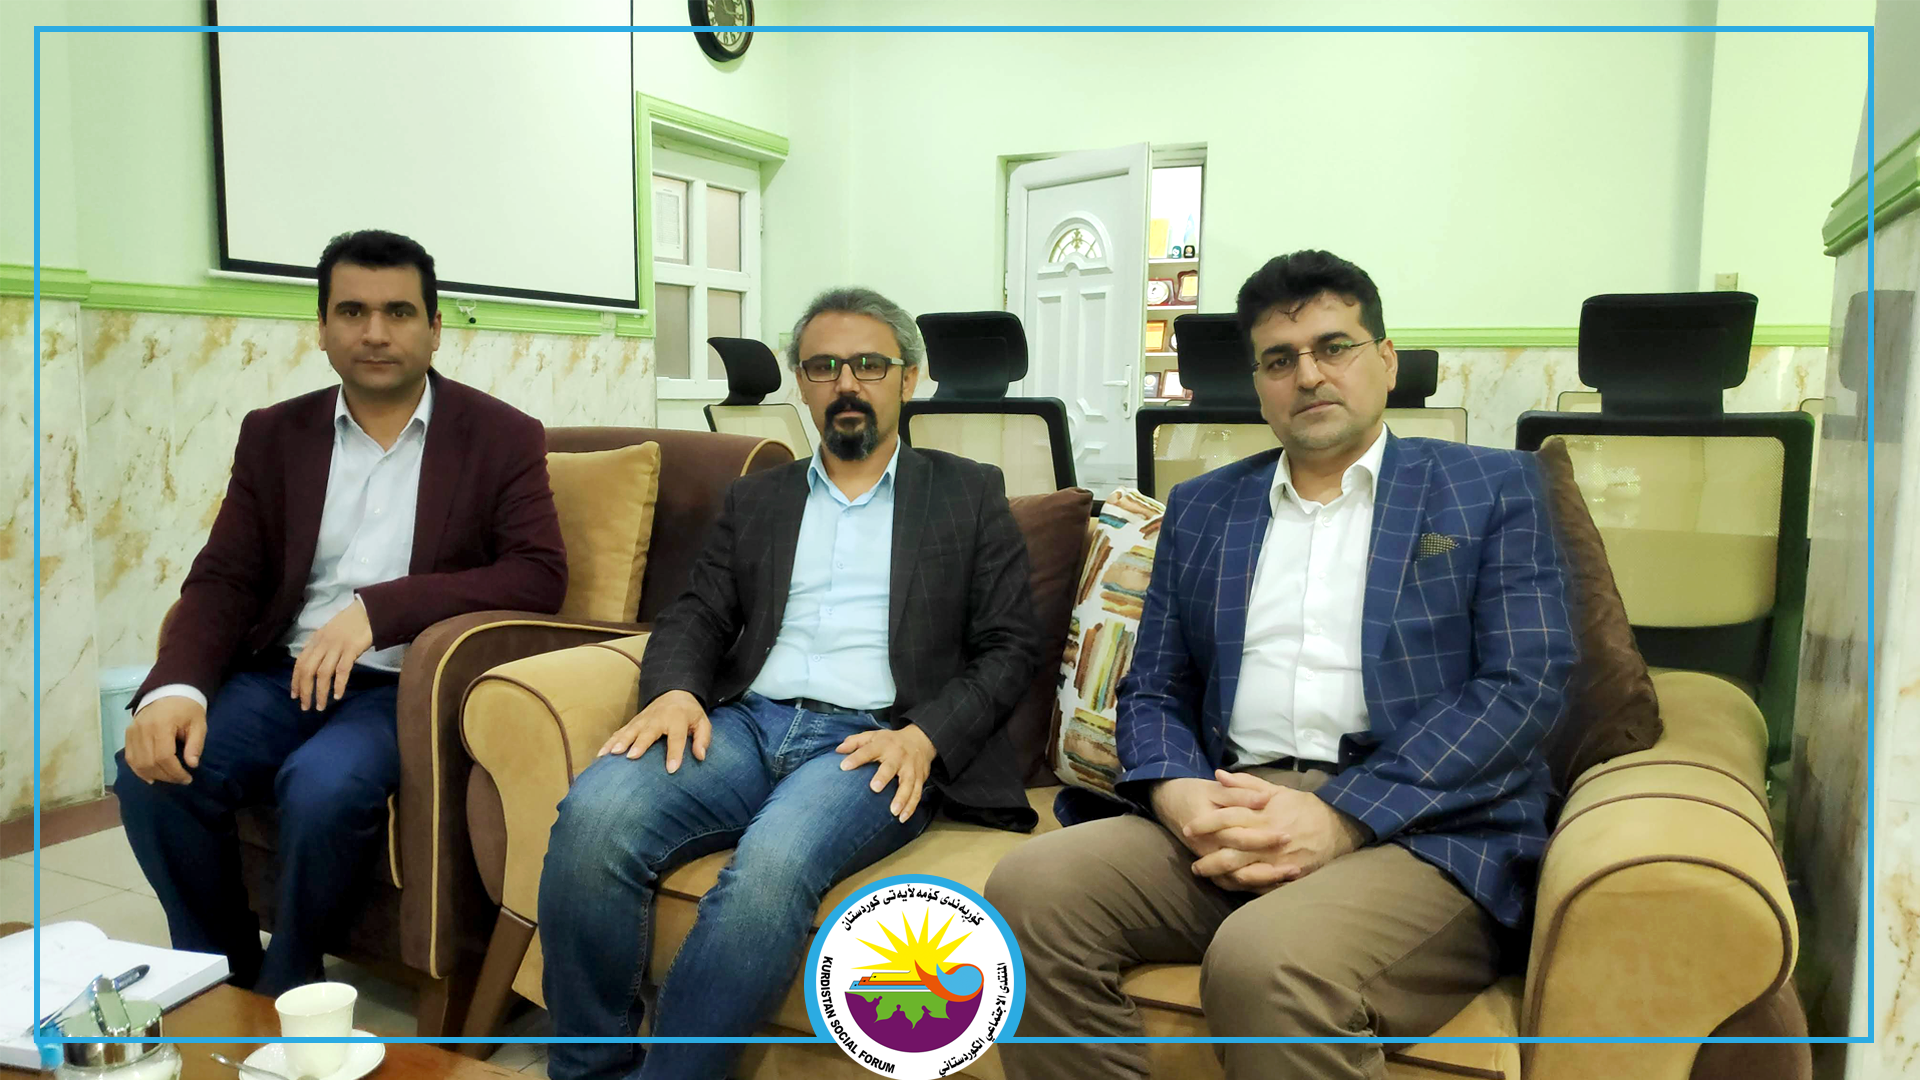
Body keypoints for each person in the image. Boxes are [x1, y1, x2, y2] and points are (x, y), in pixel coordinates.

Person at [988, 250, 1576, 1080]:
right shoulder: (1205, 505)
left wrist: (1342, 816)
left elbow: (1524, 685)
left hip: (1424, 828)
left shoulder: (1491, 488)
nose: (1308, 375)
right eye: (1279, 360)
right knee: (1025, 893)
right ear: (1260, 385)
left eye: (1334, 347)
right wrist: (1176, 790)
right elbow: (1154, 684)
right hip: (1237, 800)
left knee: (1266, 961)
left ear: (1385, 360)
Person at [539, 286, 1040, 1080]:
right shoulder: (759, 497)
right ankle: (586, 1071)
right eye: (823, 366)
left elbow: (1010, 646)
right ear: (801, 384)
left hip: (873, 742)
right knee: (592, 818)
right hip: (745, 724)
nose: (847, 383)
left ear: (908, 378)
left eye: (869, 364)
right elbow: (697, 613)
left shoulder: (967, 492)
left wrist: (926, 737)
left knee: (770, 870)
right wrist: (674, 691)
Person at [114, 229, 568, 996]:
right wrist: (175, 687)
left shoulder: (500, 436)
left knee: (323, 788)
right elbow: (225, 578)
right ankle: (222, 979)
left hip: (403, 686)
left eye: (399, 312)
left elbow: (538, 575)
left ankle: (290, 980)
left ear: (435, 327)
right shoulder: (274, 434)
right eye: (352, 312)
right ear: (321, 327)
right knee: (151, 773)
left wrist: (380, 611)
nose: (375, 332)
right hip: (281, 674)